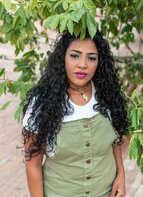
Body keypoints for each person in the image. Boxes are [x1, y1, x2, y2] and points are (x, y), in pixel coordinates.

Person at [22, 29, 128, 197]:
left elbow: (115, 140)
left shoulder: (107, 94)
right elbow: (33, 166)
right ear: (62, 57)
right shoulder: (42, 103)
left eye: (91, 58)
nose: (83, 64)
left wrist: (121, 174)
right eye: (75, 55)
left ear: (99, 62)